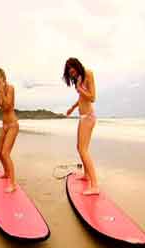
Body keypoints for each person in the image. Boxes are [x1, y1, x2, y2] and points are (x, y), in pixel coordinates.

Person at [64, 57, 99, 195]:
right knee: (80, 148)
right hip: (83, 117)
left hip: (89, 117)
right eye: (69, 73)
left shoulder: (88, 74)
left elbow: (92, 97)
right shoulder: (78, 78)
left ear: (77, 66)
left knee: (83, 150)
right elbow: (81, 98)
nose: (71, 74)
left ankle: (95, 185)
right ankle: (86, 176)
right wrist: (72, 107)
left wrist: (79, 88)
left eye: (72, 71)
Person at [0, 68, 19, 193]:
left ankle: (13, 184)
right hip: (4, 126)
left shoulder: (10, 88)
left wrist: (1, 89)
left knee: (5, 153)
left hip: (13, 125)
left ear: (2, 78)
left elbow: (7, 106)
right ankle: (6, 173)